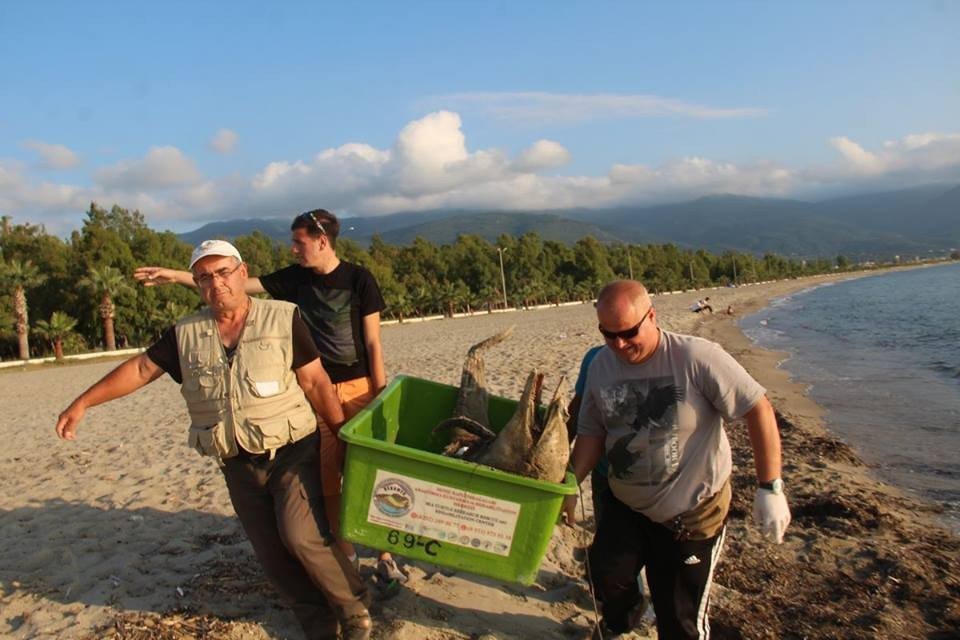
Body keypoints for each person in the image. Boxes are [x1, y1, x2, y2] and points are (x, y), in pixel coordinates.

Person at [57, 240, 371, 640]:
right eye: (205, 277)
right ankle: (317, 622)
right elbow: (139, 369)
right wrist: (83, 403)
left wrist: (342, 438)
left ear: (242, 273)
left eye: (223, 272)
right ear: (197, 284)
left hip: (292, 452)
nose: (216, 283)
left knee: (301, 536)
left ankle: (354, 607)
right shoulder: (185, 334)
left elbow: (316, 382)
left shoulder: (283, 319)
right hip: (236, 461)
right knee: (272, 554)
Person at [134, 210, 405, 583]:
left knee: (367, 474)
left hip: (359, 388)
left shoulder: (360, 279)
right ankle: (348, 556)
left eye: (299, 242)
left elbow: (373, 341)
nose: (293, 249)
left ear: (322, 241)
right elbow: (240, 284)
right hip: (313, 390)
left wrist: (379, 393)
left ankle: (387, 556)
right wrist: (178, 275)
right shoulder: (295, 279)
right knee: (327, 480)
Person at [564, 280, 790, 639]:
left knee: (678, 622)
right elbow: (592, 433)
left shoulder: (696, 356)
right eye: (609, 335)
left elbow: (757, 407)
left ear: (652, 316)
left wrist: (770, 487)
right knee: (605, 575)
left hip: (691, 515)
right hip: (628, 507)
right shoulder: (601, 366)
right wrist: (570, 483)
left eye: (628, 333)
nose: (619, 345)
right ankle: (622, 619)